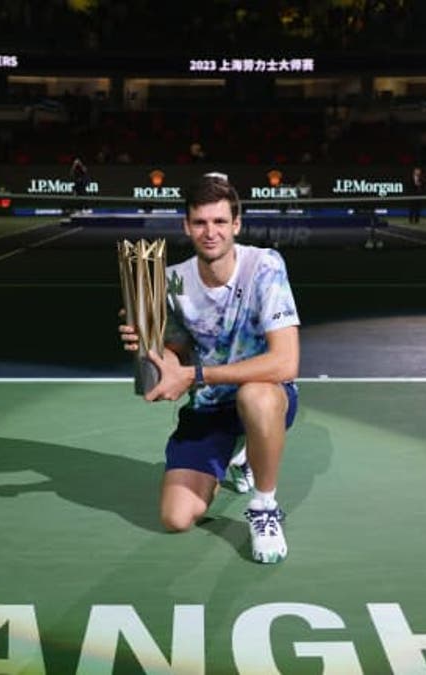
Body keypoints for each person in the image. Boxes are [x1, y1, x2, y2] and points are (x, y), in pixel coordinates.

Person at [118, 173, 301, 564]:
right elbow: (179, 351)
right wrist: (151, 346)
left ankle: (264, 506)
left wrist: (195, 376)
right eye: (200, 222)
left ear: (236, 224)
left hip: (264, 396)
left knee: (256, 396)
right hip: (209, 407)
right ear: (187, 226)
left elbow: (286, 362)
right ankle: (236, 452)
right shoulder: (172, 283)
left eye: (220, 222)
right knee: (176, 517)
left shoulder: (264, 267)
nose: (210, 232)